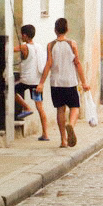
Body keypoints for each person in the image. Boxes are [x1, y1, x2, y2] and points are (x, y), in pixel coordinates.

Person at [36, 18, 90, 148]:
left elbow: (48, 64)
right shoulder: (72, 44)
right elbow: (77, 63)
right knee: (75, 107)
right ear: (67, 30)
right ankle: (71, 124)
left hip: (56, 83)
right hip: (70, 82)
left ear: (55, 30)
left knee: (60, 110)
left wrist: (41, 83)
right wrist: (84, 82)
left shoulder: (50, 45)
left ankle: (63, 141)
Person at [14, 24, 49, 141]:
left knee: (11, 91)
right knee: (40, 107)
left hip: (26, 81)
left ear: (24, 35)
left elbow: (10, 49)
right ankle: (45, 134)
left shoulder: (24, 47)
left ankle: (27, 107)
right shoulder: (39, 47)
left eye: (21, 34)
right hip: (37, 83)